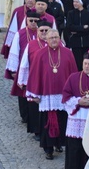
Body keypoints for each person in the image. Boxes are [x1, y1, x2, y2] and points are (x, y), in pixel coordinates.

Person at [21, 29, 78, 160]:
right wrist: (35, 93)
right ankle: (48, 149)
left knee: (62, 120)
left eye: (56, 37)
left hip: (63, 95)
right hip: (46, 95)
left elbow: (73, 74)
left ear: (60, 38)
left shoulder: (68, 53)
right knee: (47, 122)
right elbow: (35, 74)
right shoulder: (40, 54)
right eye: (51, 38)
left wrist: (74, 92)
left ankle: (59, 143)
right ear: (46, 40)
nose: (53, 40)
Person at [17, 19, 52, 139]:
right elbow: (24, 63)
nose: (43, 32)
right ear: (37, 31)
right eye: (41, 30)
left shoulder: (59, 43)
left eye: (46, 30)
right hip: (35, 78)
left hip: (51, 80)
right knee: (35, 105)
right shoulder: (31, 45)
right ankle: (37, 130)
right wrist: (22, 80)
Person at [6, 11, 39, 125]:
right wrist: (13, 70)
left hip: (37, 70)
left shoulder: (43, 34)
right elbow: (14, 51)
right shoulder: (20, 34)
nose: (33, 23)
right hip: (23, 67)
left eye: (36, 21)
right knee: (22, 92)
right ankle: (24, 116)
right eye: (31, 20)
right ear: (26, 20)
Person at [66, 0, 89, 69]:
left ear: (81, 3)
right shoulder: (70, 13)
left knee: (86, 61)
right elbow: (69, 27)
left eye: (77, 2)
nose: (74, 3)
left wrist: (77, 30)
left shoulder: (88, 13)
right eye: (74, 2)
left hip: (86, 42)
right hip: (75, 42)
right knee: (76, 61)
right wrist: (82, 27)